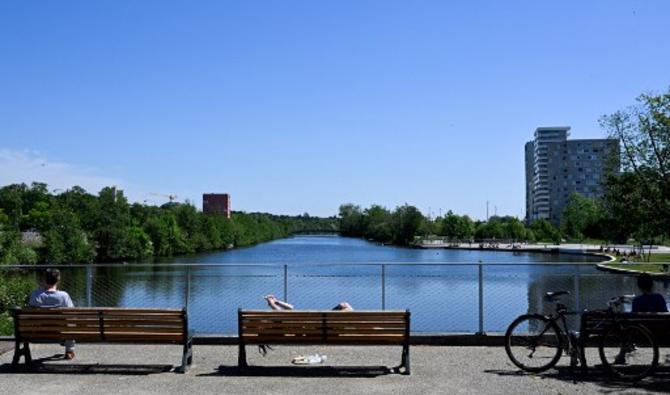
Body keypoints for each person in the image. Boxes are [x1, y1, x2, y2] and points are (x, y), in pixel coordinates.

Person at [614, 273, 667, 365]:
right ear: (652, 284)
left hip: (641, 336)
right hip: (661, 335)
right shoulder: (659, 298)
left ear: (639, 286)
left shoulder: (637, 300)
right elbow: (665, 315)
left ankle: (621, 355)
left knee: (627, 326)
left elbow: (633, 319)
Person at [28, 268, 76, 360]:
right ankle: (69, 350)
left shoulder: (35, 294)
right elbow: (71, 314)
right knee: (71, 324)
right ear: (58, 281)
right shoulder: (64, 295)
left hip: (38, 332)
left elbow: (29, 314)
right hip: (60, 331)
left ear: (44, 280)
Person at [264, 295, 353, 311]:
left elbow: (291, 307)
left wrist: (273, 303)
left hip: (318, 324)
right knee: (345, 304)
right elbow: (290, 308)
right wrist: (274, 302)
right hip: (323, 324)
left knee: (344, 304)